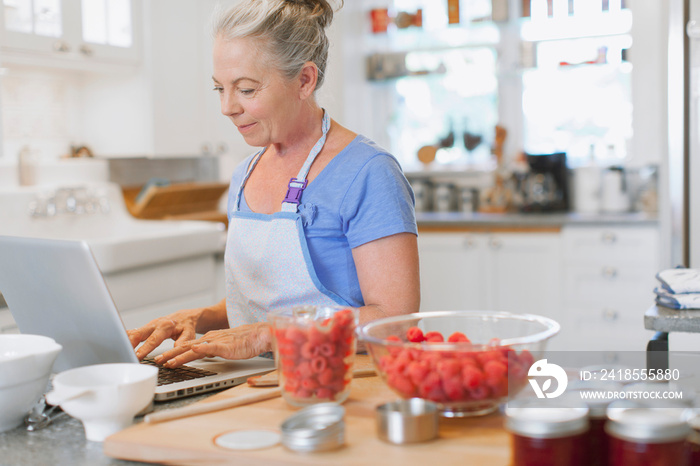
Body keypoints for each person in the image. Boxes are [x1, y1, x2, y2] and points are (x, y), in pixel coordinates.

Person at [127, 0, 419, 368]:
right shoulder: (244, 174)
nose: (227, 107)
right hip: (252, 380)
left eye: (246, 90)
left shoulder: (368, 173)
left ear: (304, 80)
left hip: (341, 382)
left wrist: (269, 334)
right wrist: (196, 318)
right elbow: (264, 303)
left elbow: (395, 323)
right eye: (220, 88)